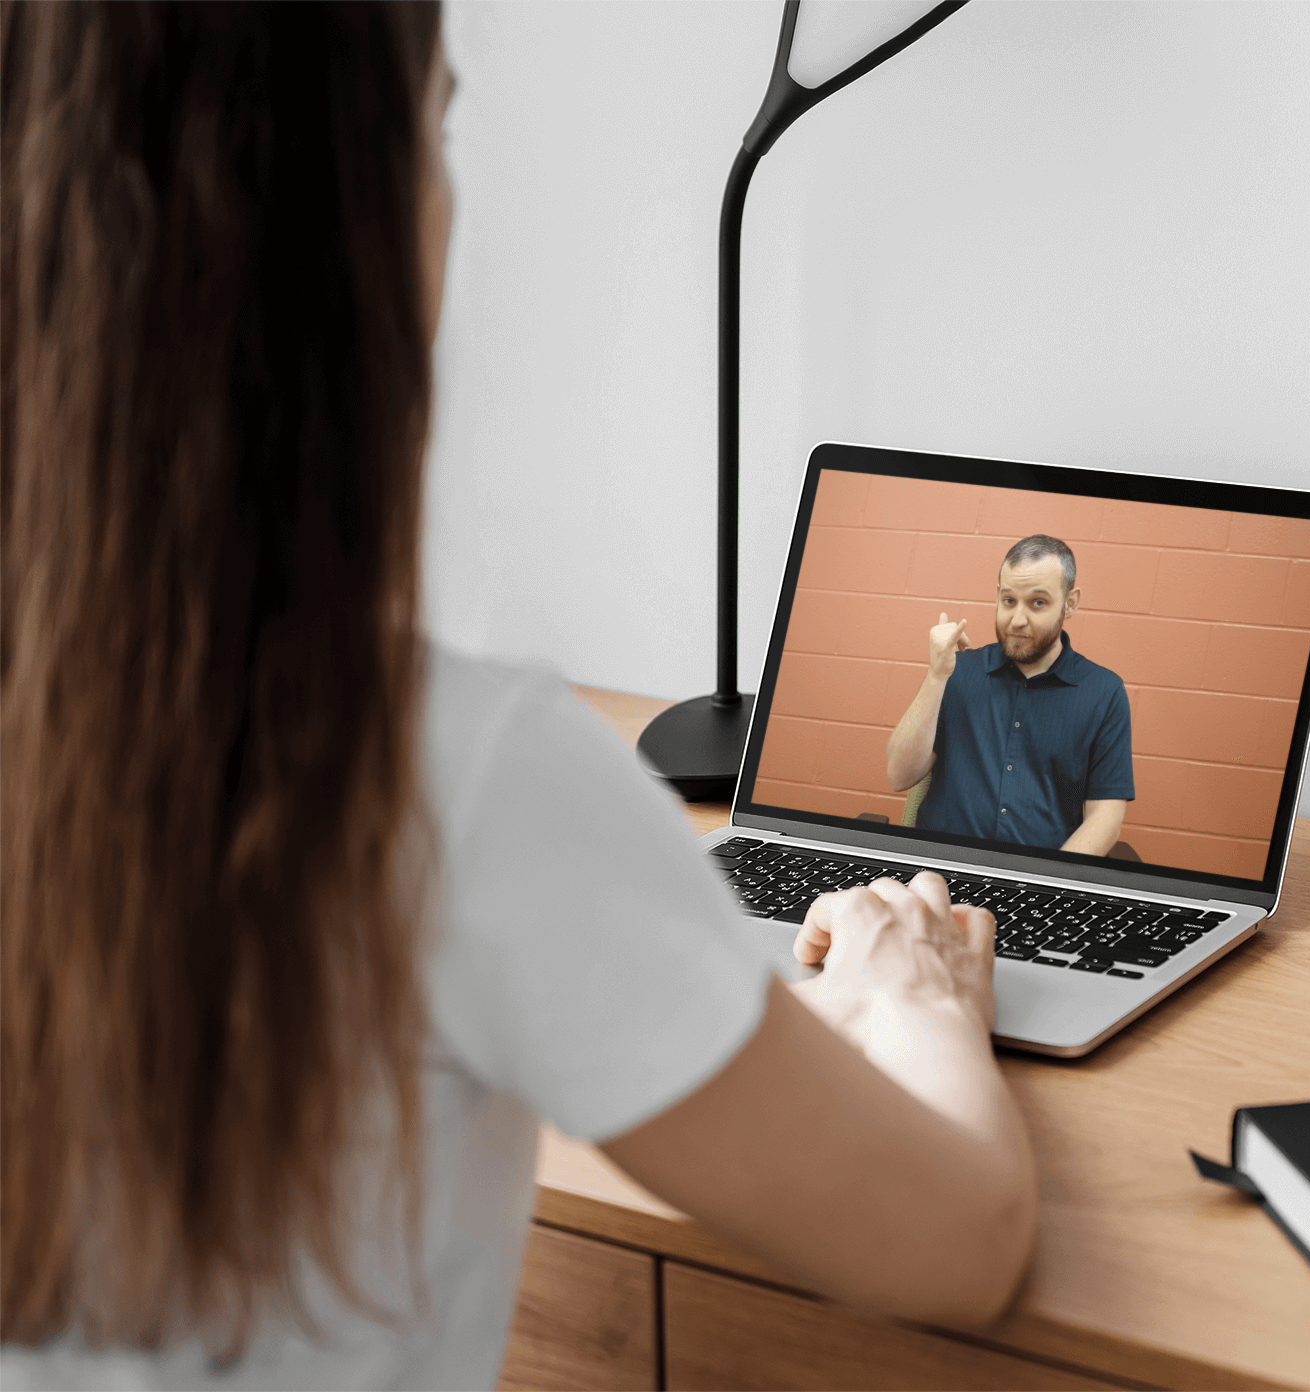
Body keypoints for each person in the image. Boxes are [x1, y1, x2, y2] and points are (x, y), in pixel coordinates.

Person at [0, 5, 1034, 1387]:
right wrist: (915, 999)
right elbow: (960, 1240)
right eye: (430, 133)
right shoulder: (451, 779)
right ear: (348, 239)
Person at [885, 536, 1134, 856]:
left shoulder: (1104, 693)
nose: (1017, 620)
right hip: (939, 870)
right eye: (1009, 601)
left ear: (1070, 603)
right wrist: (936, 676)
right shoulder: (957, 671)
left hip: (1036, 880)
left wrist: (1050, 883)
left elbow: (1106, 817)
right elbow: (898, 776)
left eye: (1038, 603)